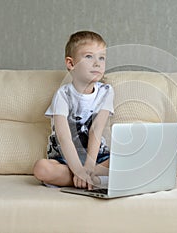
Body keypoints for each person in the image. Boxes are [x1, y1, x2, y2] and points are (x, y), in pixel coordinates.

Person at [33, 31, 114, 190]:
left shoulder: (106, 91)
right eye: (89, 57)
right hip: (66, 160)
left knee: (130, 159)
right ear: (71, 64)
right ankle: (90, 179)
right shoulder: (63, 95)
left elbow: (96, 130)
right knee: (41, 168)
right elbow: (64, 138)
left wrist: (89, 167)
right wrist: (77, 169)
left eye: (101, 57)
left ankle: (90, 176)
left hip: (97, 157)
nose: (97, 63)